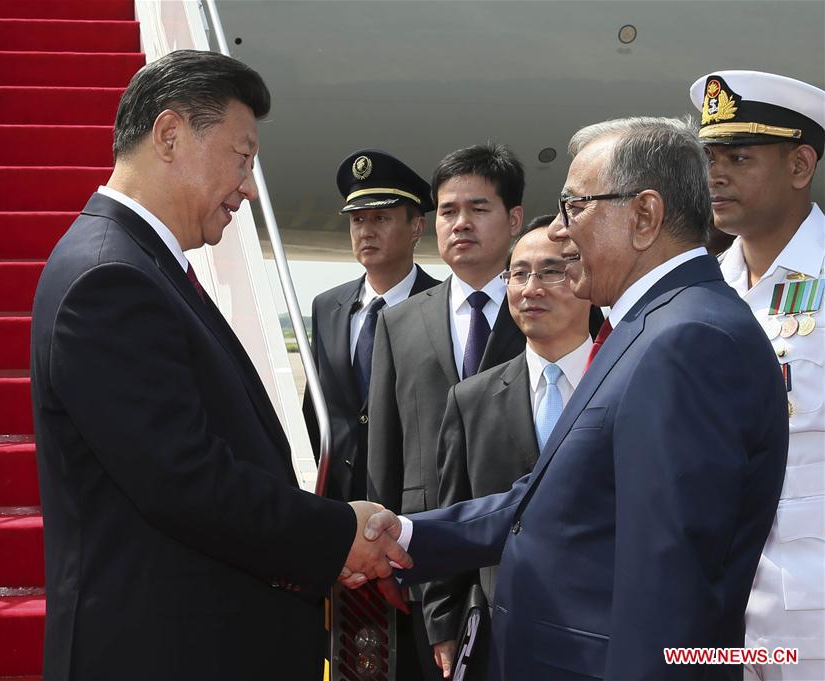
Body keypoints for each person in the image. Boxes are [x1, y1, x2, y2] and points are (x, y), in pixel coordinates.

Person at [355, 116, 789, 680]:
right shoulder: (647, 326)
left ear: (644, 215)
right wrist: (407, 533)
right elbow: (552, 501)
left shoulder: (688, 340)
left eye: (575, 207)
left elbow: (669, 580)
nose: (559, 231)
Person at [30, 49, 408, 681]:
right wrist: (336, 530)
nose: (248, 186)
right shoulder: (110, 277)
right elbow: (186, 482)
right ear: (171, 135)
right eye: (242, 157)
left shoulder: (140, 263)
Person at [366, 142, 527, 679]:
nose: (461, 223)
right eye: (448, 211)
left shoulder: (556, 311)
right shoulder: (399, 322)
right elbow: (384, 450)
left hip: (521, 550)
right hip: (425, 558)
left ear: (514, 219)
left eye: (479, 209)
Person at [690, 70, 825, 681]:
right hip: (720, 606)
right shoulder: (702, 288)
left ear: (800, 166)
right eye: (711, 157)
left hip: (812, 615)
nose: (716, 174)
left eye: (738, 157)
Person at [423, 214, 597, 679]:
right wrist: (444, 621)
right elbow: (456, 507)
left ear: (586, 277)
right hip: (507, 634)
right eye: (518, 274)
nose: (530, 288)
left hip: (603, 631)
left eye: (551, 271)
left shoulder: (626, 379)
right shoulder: (471, 399)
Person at [303, 149, 439, 501]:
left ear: (417, 226)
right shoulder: (327, 307)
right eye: (357, 220)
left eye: (380, 219)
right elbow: (315, 410)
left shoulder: (443, 307)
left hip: (411, 503)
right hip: (337, 502)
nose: (366, 232)